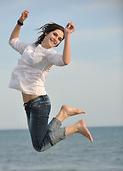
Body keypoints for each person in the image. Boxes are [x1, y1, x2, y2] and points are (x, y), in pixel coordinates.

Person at [9, 10, 93, 152]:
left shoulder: (49, 54)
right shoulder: (29, 48)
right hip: (29, 104)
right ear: (47, 32)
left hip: (39, 103)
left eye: (60, 39)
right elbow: (13, 41)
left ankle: (77, 127)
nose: (56, 39)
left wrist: (67, 35)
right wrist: (20, 22)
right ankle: (63, 114)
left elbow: (65, 61)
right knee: (42, 139)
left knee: (40, 145)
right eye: (55, 34)